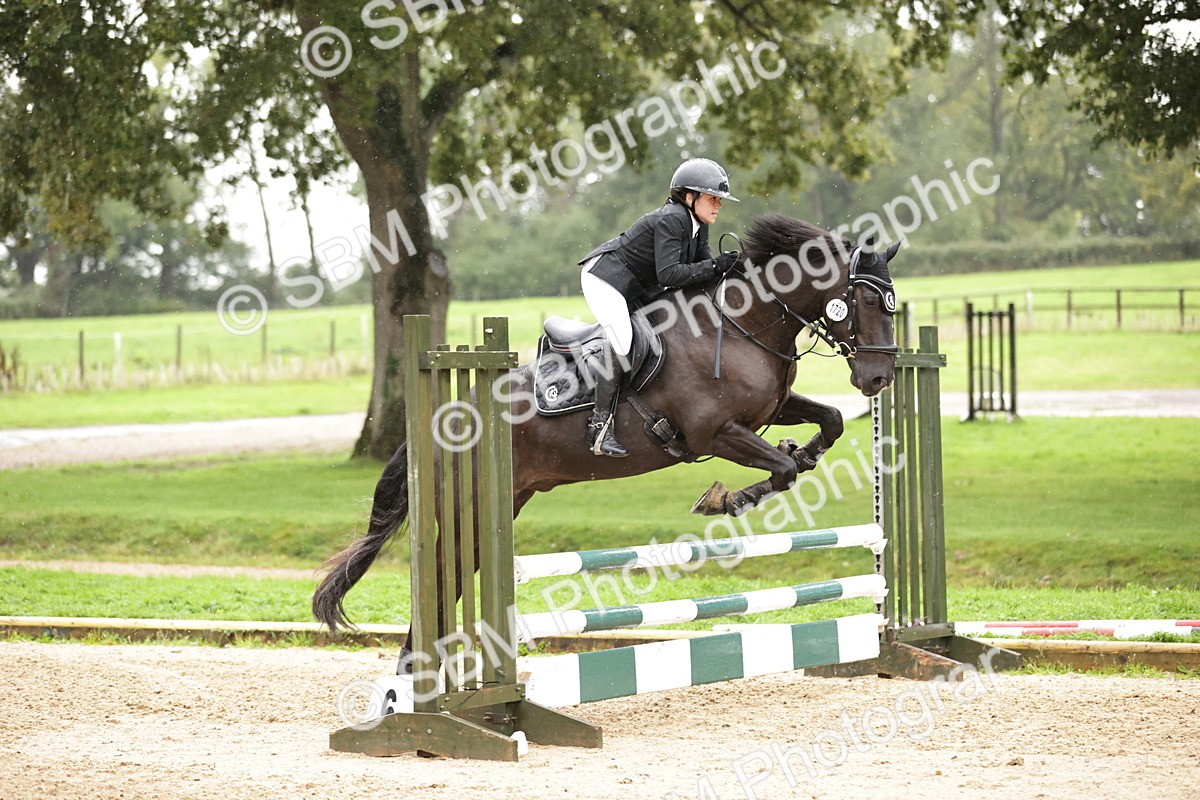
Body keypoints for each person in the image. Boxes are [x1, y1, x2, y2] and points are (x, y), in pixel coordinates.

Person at [577, 157, 740, 457]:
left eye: (720, 200)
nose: (719, 205)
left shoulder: (697, 226)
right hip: (605, 280)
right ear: (689, 197)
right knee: (623, 340)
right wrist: (717, 265)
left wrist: (730, 269)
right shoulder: (672, 219)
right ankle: (599, 427)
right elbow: (669, 274)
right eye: (713, 198)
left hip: (634, 285)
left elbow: (700, 271)